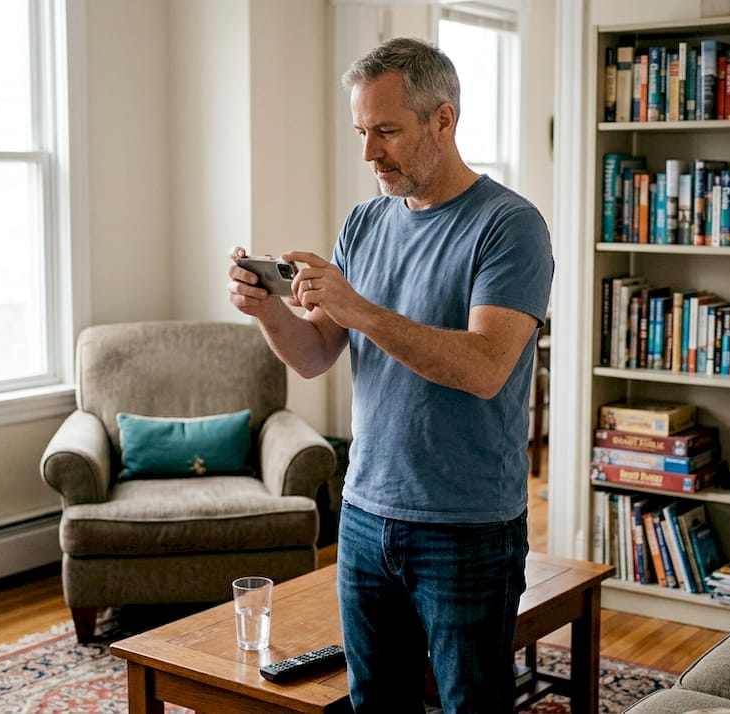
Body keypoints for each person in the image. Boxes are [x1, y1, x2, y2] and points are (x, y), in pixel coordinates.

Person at [228, 36, 553, 714]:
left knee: (473, 704)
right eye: (360, 132)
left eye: (386, 131)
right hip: (367, 513)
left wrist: (359, 308)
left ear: (443, 121)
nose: (369, 152)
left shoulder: (510, 226)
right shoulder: (364, 223)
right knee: (376, 702)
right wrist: (267, 312)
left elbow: (487, 367)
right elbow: (318, 354)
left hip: (468, 525)